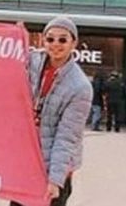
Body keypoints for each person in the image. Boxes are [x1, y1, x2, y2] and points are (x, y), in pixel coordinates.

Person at [11, 16, 92, 206]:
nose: (56, 44)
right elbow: (7, 61)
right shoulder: (33, 61)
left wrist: (55, 180)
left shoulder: (80, 87)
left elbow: (67, 137)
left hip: (56, 169)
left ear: (74, 43)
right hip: (28, 162)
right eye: (50, 39)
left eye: (63, 39)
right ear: (43, 40)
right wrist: (13, 38)